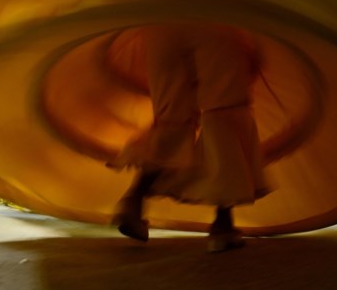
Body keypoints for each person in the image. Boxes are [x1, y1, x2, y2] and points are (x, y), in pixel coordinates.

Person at [107, 24, 271, 252]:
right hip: (216, 22)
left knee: (171, 117)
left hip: (161, 25)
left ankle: (133, 202)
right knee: (223, 112)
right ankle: (223, 226)